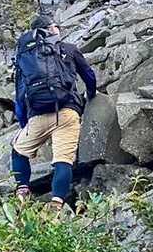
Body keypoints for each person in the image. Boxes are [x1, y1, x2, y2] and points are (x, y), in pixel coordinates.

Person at [11, 11, 97, 208]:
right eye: (56, 26)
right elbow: (89, 76)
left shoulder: (26, 56)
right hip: (67, 113)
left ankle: (22, 191)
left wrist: (25, 123)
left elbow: (20, 97)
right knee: (63, 160)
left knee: (18, 151)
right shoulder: (68, 49)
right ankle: (57, 204)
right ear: (51, 29)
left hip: (38, 115)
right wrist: (90, 95)